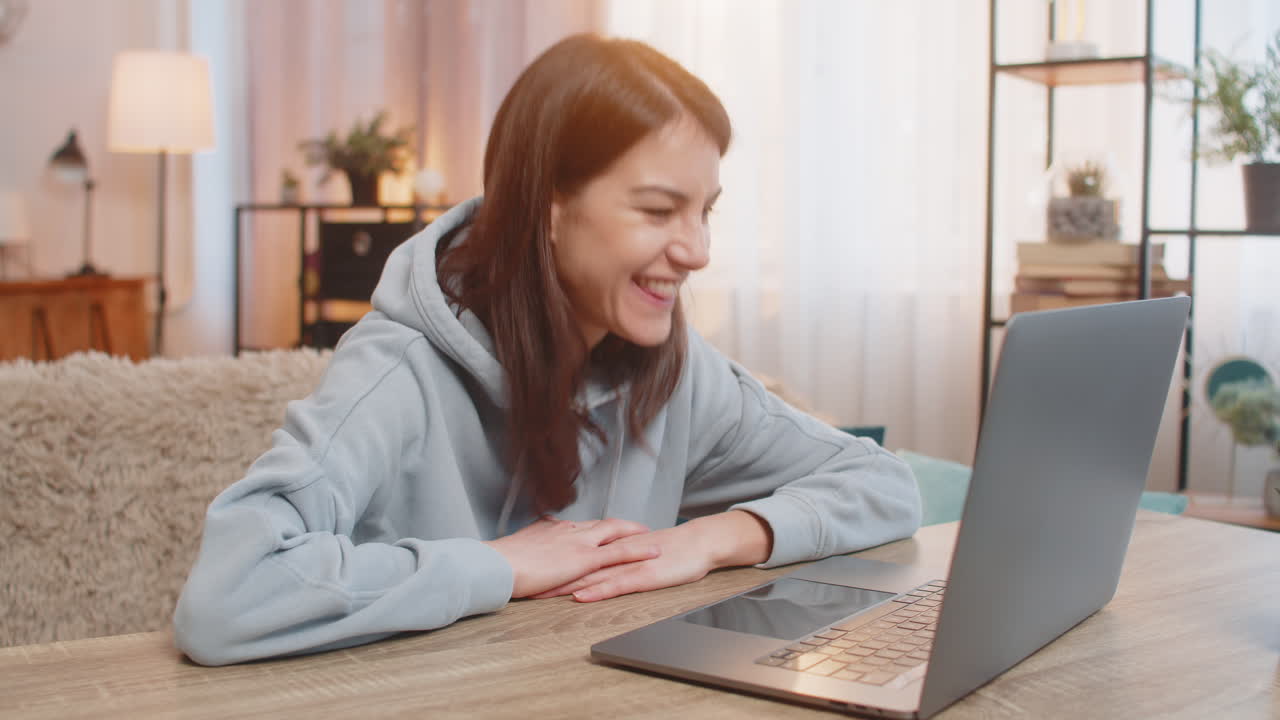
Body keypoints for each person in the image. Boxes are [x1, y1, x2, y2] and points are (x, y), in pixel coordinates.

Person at [174, 34, 921, 667]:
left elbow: (883, 484)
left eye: (705, 213)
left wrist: (716, 539)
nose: (697, 250)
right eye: (660, 210)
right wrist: (499, 566)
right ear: (551, 208)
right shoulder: (398, 369)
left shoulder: (674, 369)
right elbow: (227, 595)